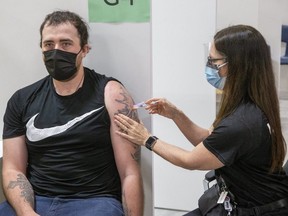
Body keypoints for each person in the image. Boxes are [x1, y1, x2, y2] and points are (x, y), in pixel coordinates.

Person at [114, 25, 288, 216]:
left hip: (260, 209)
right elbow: (208, 140)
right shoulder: (246, 103)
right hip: (242, 200)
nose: (209, 67)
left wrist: (147, 139)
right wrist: (176, 115)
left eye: (214, 62)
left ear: (236, 65)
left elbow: (191, 161)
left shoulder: (242, 122)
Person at [0, 10, 143, 216]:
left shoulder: (112, 95)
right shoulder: (22, 100)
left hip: (94, 201)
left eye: (66, 43)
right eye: (49, 44)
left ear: (84, 49)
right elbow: (12, 169)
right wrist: (26, 213)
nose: (56, 51)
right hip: (36, 199)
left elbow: (130, 173)